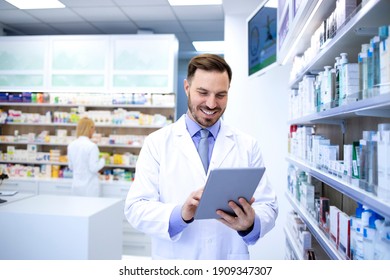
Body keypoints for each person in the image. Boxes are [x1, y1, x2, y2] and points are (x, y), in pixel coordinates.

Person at [124, 54, 278, 260]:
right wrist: (181, 214)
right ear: (187, 88)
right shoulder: (157, 143)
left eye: (220, 95)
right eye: (203, 92)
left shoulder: (247, 145)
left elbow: (268, 205)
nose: (212, 103)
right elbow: (136, 207)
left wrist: (250, 223)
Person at [67, 117, 106, 197]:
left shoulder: (71, 145)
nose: (93, 132)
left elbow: (71, 166)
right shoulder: (92, 146)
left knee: (76, 208)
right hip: (89, 188)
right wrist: (103, 159)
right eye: (93, 129)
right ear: (90, 129)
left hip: (76, 186)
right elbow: (93, 168)